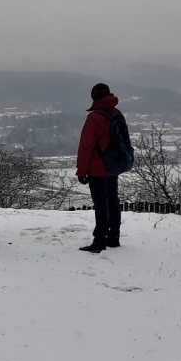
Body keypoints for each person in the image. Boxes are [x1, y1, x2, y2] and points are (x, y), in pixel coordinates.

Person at [76, 83, 123, 253]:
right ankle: (114, 237)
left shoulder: (95, 118)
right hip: (113, 166)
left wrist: (81, 171)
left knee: (101, 204)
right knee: (113, 201)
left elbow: (86, 146)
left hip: (97, 168)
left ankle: (99, 241)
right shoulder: (116, 114)